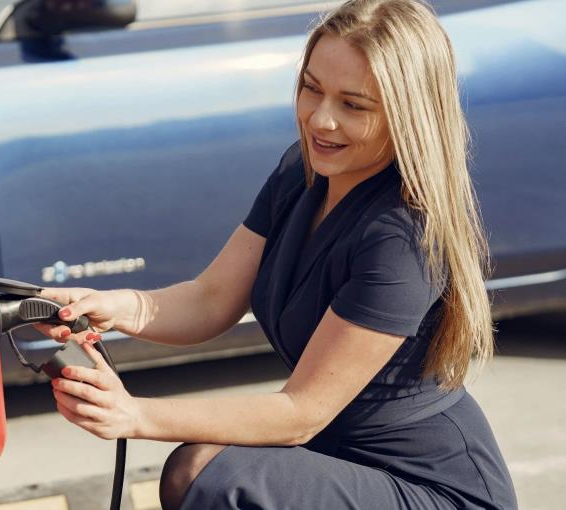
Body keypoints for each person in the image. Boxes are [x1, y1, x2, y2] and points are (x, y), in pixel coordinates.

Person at [33, 0, 518, 508]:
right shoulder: (303, 171)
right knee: (201, 470)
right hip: (336, 452)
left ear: (407, 114)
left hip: (429, 486)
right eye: (312, 88)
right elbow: (211, 298)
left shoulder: (403, 237)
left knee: (207, 474)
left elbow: (300, 412)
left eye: (354, 105)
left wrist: (136, 415)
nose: (320, 120)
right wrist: (115, 308)